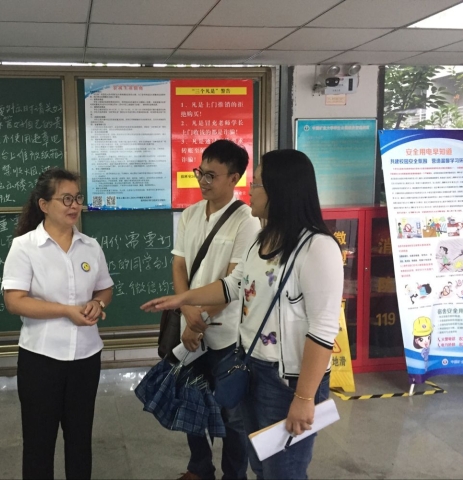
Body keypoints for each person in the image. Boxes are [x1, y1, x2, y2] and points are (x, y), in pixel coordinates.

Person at [142, 149, 343, 480]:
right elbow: (232, 285)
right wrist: (181, 299)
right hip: (252, 370)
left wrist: (304, 398)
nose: (250, 189)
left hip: (288, 382)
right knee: (261, 465)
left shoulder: (317, 248)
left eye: (257, 183)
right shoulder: (262, 241)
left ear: (280, 190)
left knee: (284, 471)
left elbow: (322, 330)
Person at [2, 167, 113, 480]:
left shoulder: (90, 246)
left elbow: (105, 288)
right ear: (44, 205)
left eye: (77, 198)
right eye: (66, 199)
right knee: (39, 443)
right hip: (41, 359)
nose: (74, 205)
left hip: (86, 357)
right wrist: (66, 311)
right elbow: (14, 301)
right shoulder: (25, 246)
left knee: (80, 440)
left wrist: (98, 303)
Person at [173, 140, 260, 480]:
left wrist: (199, 319)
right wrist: (187, 310)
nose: (203, 180)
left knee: (231, 413)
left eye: (211, 175)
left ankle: (234, 474)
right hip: (190, 326)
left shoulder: (246, 221)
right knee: (191, 403)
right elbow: (179, 265)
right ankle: (199, 468)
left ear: (234, 178)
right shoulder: (190, 214)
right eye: (200, 172)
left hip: (227, 335)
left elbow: (234, 281)